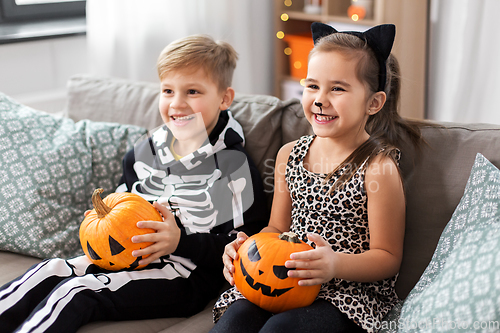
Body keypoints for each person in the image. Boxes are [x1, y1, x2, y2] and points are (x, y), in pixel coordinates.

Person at [0, 34, 269, 333]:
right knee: (50, 269)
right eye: (168, 90)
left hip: (185, 275)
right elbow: (122, 200)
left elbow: (249, 241)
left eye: (192, 91)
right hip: (127, 255)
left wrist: (180, 241)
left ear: (224, 98)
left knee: (76, 291)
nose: (177, 103)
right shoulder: (145, 151)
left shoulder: (235, 167)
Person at [211, 23, 423, 333]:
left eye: (337, 88)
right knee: (234, 320)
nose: (320, 99)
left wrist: (333, 264)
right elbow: (276, 229)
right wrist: (246, 248)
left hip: (345, 295)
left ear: (373, 103)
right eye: (312, 86)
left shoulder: (378, 167)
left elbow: (387, 257)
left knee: (279, 330)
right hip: (281, 278)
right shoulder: (289, 155)